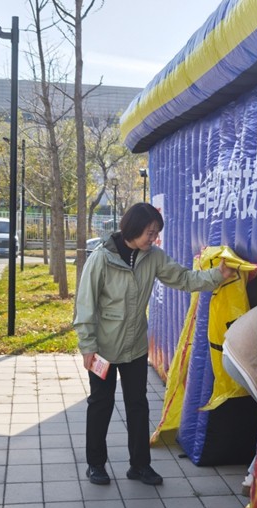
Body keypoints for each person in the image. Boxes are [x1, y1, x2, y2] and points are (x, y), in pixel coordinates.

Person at [73, 202, 235, 486]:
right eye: (150, 232)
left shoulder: (153, 256)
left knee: (138, 405)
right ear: (134, 229)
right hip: (103, 349)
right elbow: (85, 306)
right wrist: (88, 347)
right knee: (100, 405)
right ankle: (95, 464)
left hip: (135, 346)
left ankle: (140, 466)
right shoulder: (101, 259)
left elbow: (183, 278)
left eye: (156, 233)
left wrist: (217, 276)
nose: (154, 238)